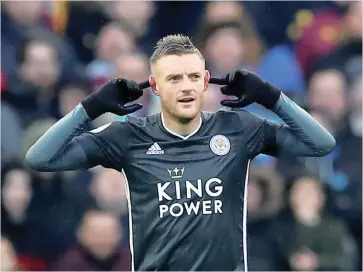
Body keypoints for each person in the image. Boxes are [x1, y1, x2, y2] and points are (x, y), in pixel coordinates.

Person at [25, 34, 335, 271]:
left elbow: (320, 144)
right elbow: (40, 158)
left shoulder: (238, 128)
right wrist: (89, 108)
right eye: (174, 78)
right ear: (155, 86)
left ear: (205, 82)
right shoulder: (129, 135)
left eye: (193, 77)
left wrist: (271, 97)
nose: (186, 87)